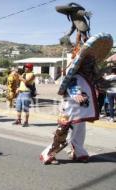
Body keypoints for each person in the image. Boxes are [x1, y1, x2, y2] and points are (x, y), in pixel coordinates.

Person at [40, 33, 113, 165]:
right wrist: (76, 94)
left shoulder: (89, 77)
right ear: (82, 63)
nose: (91, 64)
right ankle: (48, 154)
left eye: (92, 62)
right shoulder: (76, 76)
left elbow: (101, 83)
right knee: (62, 132)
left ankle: (78, 152)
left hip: (82, 110)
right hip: (70, 110)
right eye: (88, 62)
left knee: (80, 133)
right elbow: (71, 85)